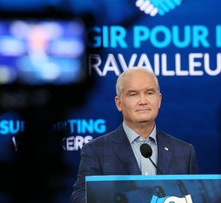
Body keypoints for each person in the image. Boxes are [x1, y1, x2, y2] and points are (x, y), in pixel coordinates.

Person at [70, 67, 199, 203]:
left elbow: (196, 197)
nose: (143, 101)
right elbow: (80, 197)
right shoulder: (96, 150)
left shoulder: (185, 152)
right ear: (119, 103)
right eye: (133, 94)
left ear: (159, 100)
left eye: (149, 93)